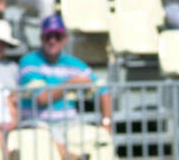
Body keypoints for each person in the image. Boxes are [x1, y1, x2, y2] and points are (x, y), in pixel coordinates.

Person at [18, 13, 112, 147]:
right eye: (48, 36)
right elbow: (42, 98)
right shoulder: (29, 62)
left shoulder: (75, 65)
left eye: (57, 36)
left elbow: (103, 90)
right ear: (41, 38)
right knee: (47, 140)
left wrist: (106, 123)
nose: (52, 40)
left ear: (65, 39)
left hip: (70, 124)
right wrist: (72, 84)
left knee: (101, 138)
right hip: (36, 124)